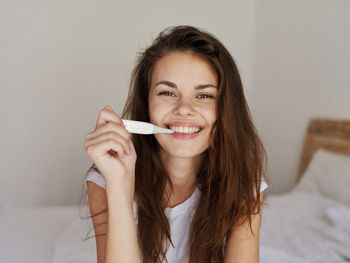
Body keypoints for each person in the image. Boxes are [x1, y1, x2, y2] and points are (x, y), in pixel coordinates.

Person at [83, 25, 268, 263]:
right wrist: (119, 184)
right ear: (147, 103)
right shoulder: (104, 180)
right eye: (167, 93)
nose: (184, 109)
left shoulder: (243, 185)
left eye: (205, 95)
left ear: (226, 110)